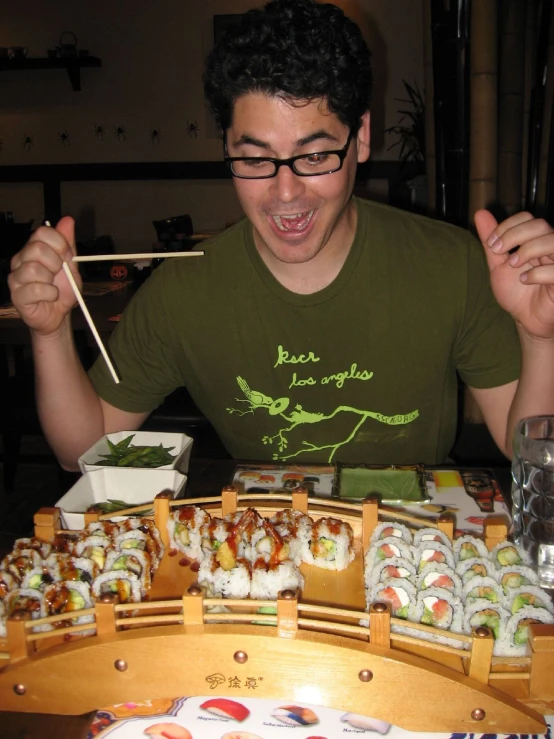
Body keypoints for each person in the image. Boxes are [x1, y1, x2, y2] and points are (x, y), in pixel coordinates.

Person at [8, 0, 554, 471]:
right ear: (227, 145)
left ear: (360, 137)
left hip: (413, 559)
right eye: (255, 159)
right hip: (261, 560)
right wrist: (51, 332)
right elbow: (82, 452)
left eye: (315, 155)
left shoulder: (450, 263)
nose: (286, 194)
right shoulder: (183, 292)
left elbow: (526, 448)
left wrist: (540, 337)